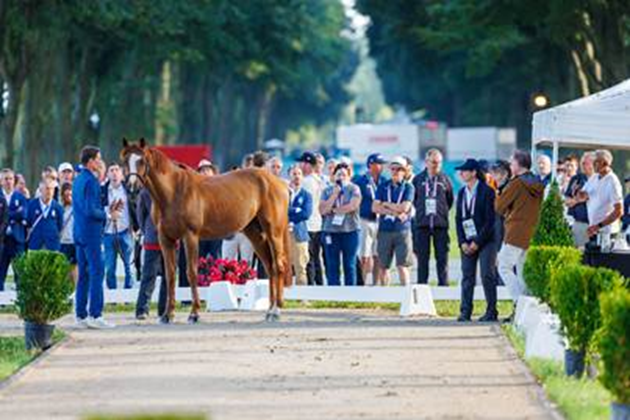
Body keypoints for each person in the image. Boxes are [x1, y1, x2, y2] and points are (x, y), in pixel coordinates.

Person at [495, 150, 544, 312]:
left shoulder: (516, 183)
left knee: (504, 267)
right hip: (532, 232)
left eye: (512, 163)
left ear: (518, 165)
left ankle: (520, 302)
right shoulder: (537, 182)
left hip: (515, 232)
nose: (510, 166)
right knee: (522, 272)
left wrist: (499, 189)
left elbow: (499, 207)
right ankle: (526, 309)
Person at [73, 146, 114, 329]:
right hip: (91, 234)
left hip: (79, 232)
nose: (100, 161)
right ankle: (96, 315)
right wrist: (108, 214)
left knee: (83, 274)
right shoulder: (91, 181)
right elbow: (91, 210)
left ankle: (81, 315)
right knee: (97, 272)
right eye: (98, 158)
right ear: (90, 161)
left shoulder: (78, 179)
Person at [454, 159, 498, 322]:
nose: (461, 173)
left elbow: (490, 221)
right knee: (467, 276)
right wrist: (462, 242)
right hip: (467, 239)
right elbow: (458, 219)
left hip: (486, 240)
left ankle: (491, 311)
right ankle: (465, 311)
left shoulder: (487, 191)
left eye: (464, 171)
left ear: (473, 172)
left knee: (487, 274)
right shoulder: (461, 192)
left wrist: (477, 242)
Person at [412, 149, 454, 286]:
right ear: (426, 162)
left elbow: (449, 201)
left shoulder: (445, 179)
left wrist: (440, 213)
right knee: (422, 260)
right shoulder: (418, 179)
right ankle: (422, 287)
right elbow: (414, 200)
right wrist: (423, 212)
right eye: (434, 162)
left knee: (442, 259)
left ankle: (443, 288)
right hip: (422, 225)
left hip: (440, 225)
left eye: (439, 162)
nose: (437, 165)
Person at [372, 157, 414, 286]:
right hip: (384, 230)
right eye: (393, 169)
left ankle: (405, 294)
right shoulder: (383, 186)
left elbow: (404, 207)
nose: (395, 171)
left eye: (399, 169)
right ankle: (386, 295)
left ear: (404, 171)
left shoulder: (408, 187)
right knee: (383, 267)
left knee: (402, 266)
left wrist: (386, 204)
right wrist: (394, 212)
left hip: (402, 230)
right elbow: (375, 208)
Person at [319, 162, 361, 286]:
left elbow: (352, 206)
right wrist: (334, 194)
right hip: (331, 232)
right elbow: (322, 210)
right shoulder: (327, 191)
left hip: (350, 231)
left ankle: (350, 292)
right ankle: (333, 291)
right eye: (338, 174)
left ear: (348, 176)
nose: (341, 177)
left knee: (349, 264)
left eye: (343, 174)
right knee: (332, 264)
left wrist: (332, 210)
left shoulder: (354, 188)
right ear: (334, 176)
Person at [353, 153, 387, 286]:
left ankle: (375, 284)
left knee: (378, 255)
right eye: (379, 164)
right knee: (364, 256)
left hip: (381, 221)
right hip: (365, 221)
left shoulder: (384, 181)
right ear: (371, 165)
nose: (382, 166)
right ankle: (362, 284)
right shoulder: (361, 181)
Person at [135, 187, 167, 320]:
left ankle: (163, 309)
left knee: (168, 276)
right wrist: (147, 230)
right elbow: (140, 215)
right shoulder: (146, 191)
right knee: (149, 275)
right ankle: (143, 309)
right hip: (153, 238)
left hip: (169, 238)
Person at [102, 163, 136, 290]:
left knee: (129, 267)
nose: (114, 173)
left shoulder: (129, 189)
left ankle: (128, 295)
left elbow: (135, 208)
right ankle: (112, 295)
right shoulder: (102, 191)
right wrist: (109, 214)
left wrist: (137, 227)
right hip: (108, 233)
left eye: (117, 170)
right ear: (107, 174)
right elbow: (98, 209)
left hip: (125, 231)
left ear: (122, 174)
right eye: (111, 170)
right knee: (110, 268)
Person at [577, 149, 623, 240]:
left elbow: (619, 211)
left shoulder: (613, 181)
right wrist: (580, 193)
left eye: (596, 162)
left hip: (607, 232)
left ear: (605, 163)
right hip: (593, 230)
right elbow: (583, 196)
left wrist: (599, 226)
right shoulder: (594, 176)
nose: (593, 164)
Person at [299, 151, 325, 286]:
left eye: (302, 163)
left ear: (307, 164)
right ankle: (319, 284)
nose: (300, 165)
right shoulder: (319, 180)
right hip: (317, 223)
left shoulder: (306, 182)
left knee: (308, 259)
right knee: (316, 258)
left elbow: (302, 204)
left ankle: (311, 287)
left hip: (307, 224)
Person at [0, 169, 28, 290]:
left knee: (20, 275)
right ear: (1, 181)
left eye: (11, 179)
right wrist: (14, 213)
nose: (8, 181)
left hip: (17, 240)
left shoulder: (20, 197)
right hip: (2, 240)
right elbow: (17, 214)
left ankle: (19, 299)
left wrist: (5, 214)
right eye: (5, 179)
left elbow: (23, 214)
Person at [288, 165, 313, 285]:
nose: (297, 176)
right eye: (294, 174)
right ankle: (285, 293)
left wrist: (289, 216)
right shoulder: (283, 193)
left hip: (299, 234)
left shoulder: (306, 195)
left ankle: (302, 294)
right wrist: (295, 210)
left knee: (301, 267)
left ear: (302, 176)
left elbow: (305, 214)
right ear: (289, 176)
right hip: (283, 233)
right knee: (284, 266)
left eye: (299, 174)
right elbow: (279, 211)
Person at [26, 178, 63, 251]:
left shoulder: (58, 207)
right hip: (35, 244)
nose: (49, 191)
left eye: (52, 189)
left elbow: (60, 225)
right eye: (47, 188)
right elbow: (28, 223)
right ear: (40, 190)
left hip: (52, 245)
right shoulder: (32, 205)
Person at [564, 154, 590, 247]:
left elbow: (589, 197)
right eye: (582, 163)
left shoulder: (597, 179)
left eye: (585, 163)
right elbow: (567, 201)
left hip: (594, 223)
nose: (583, 165)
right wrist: (578, 200)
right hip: (578, 222)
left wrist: (575, 201)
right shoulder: (576, 179)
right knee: (577, 250)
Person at [59, 182, 77, 281]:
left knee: (75, 268)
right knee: (64, 269)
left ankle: (76, 288)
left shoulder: (77, 208)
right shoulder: (60, 208)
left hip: (74, 241)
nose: (69, 197)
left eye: (70, 195)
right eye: (66, 195)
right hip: (63, 242)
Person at [622, 175, 630, 243]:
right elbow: (625, 215)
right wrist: (623, 229)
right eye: (627, 182)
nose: (628, 184)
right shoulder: (627, 198)